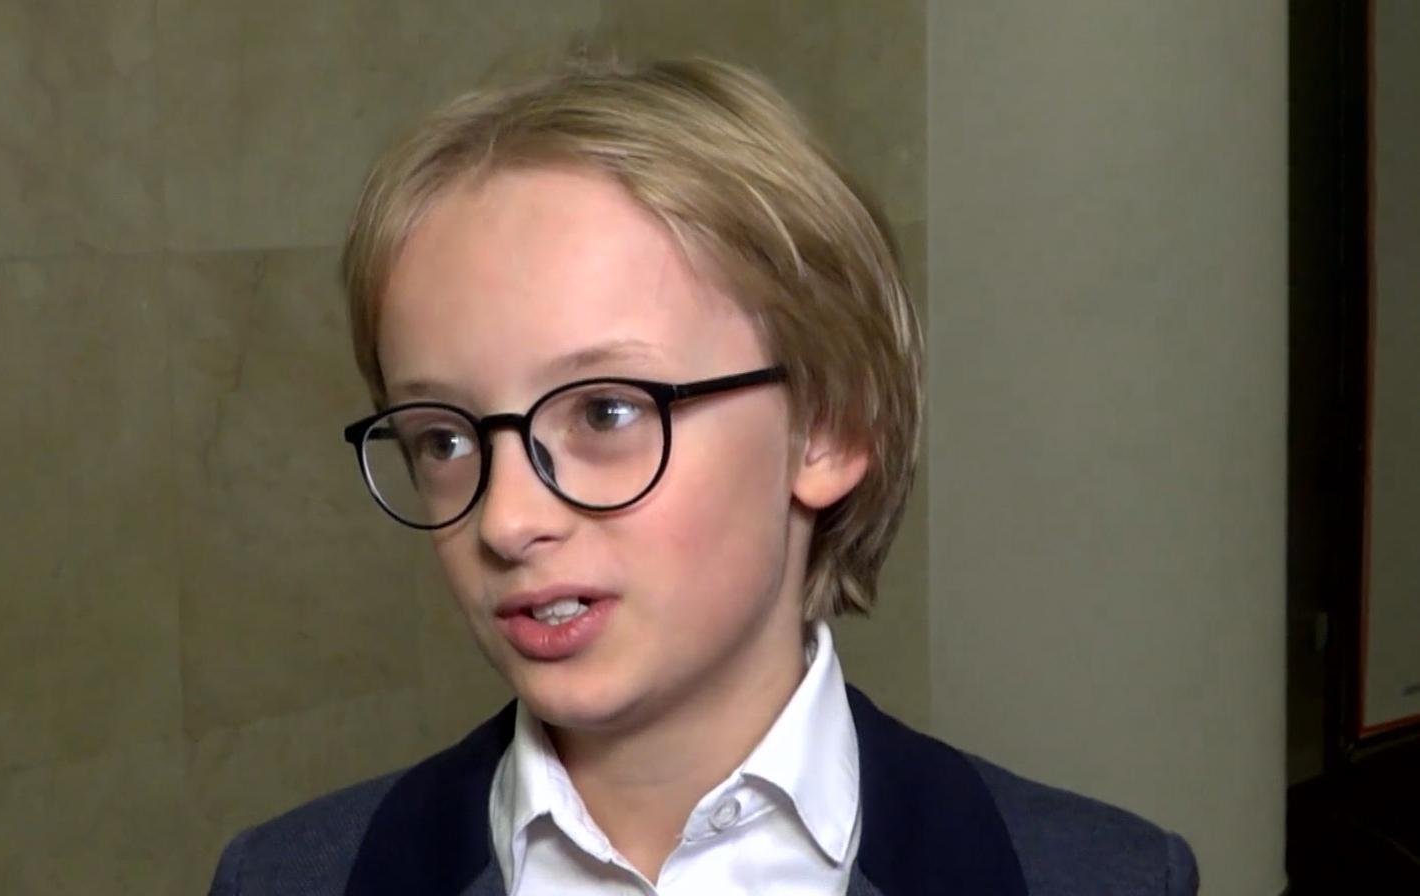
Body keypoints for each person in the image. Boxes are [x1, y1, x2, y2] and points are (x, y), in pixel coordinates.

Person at [208, 57, 1199, 896]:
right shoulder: (287, 879)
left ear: (829, 426)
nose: (504, 519)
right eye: (444, 438)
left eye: (605, 412)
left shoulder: (1099, 876)